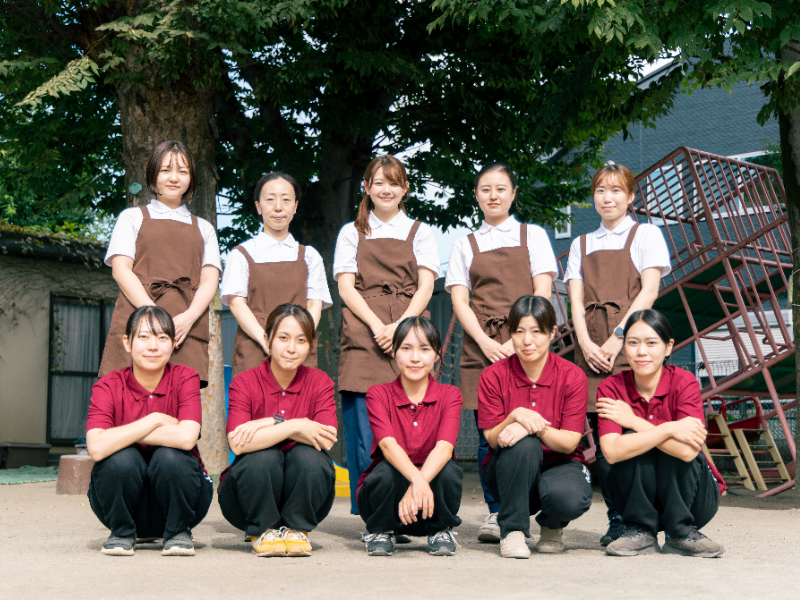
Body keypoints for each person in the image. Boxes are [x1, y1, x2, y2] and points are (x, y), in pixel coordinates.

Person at [446, 163, 557, 542]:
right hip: (481, 348)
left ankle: (534, 509)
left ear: (513, 193)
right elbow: (460, 300)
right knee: (487, 435)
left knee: (535, 428)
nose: (493, 195)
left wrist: (517, 339)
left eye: (500, 188)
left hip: (528, 344)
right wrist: (486, 342)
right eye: (485, 189)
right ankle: (496, 511)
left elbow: (543, 290)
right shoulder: (464, 244)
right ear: (476, 196)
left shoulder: (533, 235)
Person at [564, 161, 671, 546]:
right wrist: (586, 343)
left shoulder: (646, 234)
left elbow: (649, 291)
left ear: (630, 196)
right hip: (590, 352)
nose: (607, 198)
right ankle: (617, 519)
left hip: (632, 347)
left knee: (639, 434)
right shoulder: (580, 244)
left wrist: (617, 338)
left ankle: (646, 519)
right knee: (604, 441)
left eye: (615, 190)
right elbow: (575, 300)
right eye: (600, 190)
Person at [334, 154, 440, 515]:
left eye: (393, 183)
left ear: (405, 189)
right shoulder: (351, 232)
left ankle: (411, 508)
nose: (386, 189)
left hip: (410, 336)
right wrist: (377, 326)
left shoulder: (420, 231)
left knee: (411, 425)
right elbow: (346, 288)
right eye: (378, 182)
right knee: (365, 432)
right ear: (366, 187)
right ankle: (374, 514)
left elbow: (426, 286)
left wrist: (400, 328)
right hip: (363, 334)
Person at [597, 309, 725, 558]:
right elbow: (611, 452)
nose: (641, 351)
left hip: (695, 500)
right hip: (632, 499)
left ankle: (681, 532)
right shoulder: (611, 388)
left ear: (668, 347)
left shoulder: (684, 382)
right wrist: (669, 428)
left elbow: (688, 453)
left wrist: (635, 421)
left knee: (665, 444)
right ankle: (640, 531)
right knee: (635, 442)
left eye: (651, 343)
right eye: (633, 343)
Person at [86, 306, 213, 557]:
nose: (153, 346)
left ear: (174, 343)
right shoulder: (107, 385)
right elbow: (97, 448)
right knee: (120, 460)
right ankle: (122, 532)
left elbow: (186, 438)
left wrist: (120, 435)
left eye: (162, 337)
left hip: (184, 503)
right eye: (144, 337)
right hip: (120, 507)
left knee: (170, 456)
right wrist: (155, 420)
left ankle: (178, 532)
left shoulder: (186, 378)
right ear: (127, 342)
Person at [99, 140, 221, 387]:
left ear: (191, 178)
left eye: (182, 171)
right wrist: (153, 315)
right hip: (138, 319)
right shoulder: (131, 217)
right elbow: (121, 270)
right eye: (166, 170)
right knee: (129, 399)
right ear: (153, 174)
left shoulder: (205, 228)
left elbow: (210, 281)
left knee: (181, 401)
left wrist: (189, 317)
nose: (174, 178)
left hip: (185, 326)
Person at [218, 304, 337, 557]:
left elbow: (326, 438)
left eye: (301, 340)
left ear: (310, 345)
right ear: (267, 339)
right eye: (283, 338)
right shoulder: (244, 382)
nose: (292, 348)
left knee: (309, 457)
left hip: (305, 497)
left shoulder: (320, 382)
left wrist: (268, 424)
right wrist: (295, 425)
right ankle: (262, 529)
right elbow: (237, 443)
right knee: (264, 456)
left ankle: (297, 529)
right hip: (245, 499)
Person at [478, 295, 591, 559]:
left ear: (552, 333)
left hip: (561, 465)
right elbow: (493, 439)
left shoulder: (572, 376)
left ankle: (552, 524)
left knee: (569, 496)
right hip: (508, 471)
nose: (527, 341)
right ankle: (513, 530)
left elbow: (569, 442)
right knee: (523, 444)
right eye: (519, 332)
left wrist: (534, 427)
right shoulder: (493, 375)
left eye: (536, 332)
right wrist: (514, 416)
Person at [358, 317, 463, 556]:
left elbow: (444, 448)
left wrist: (418, 483)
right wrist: (417, 480)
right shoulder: (378, 394)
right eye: (406, 348)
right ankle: (380, 531)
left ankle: (440, 530)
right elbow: (387, 445)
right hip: (386, 506)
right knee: (386, 471)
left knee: (448, 471)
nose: (415, 358)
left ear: (437, 355)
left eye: (424, 349)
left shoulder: (451, 395)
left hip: (428, 507)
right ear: (394, 353)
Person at [221, 172, 332, 376]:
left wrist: (300, 340)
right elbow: (237, 304)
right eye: (270, 199)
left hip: (298, 351)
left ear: (295, 207)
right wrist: (266, 340)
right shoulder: (242, 254)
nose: (278, 207)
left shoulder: (309, 256)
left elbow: (315, 304)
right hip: (255, 345)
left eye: (286, 199)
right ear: (258, 206)